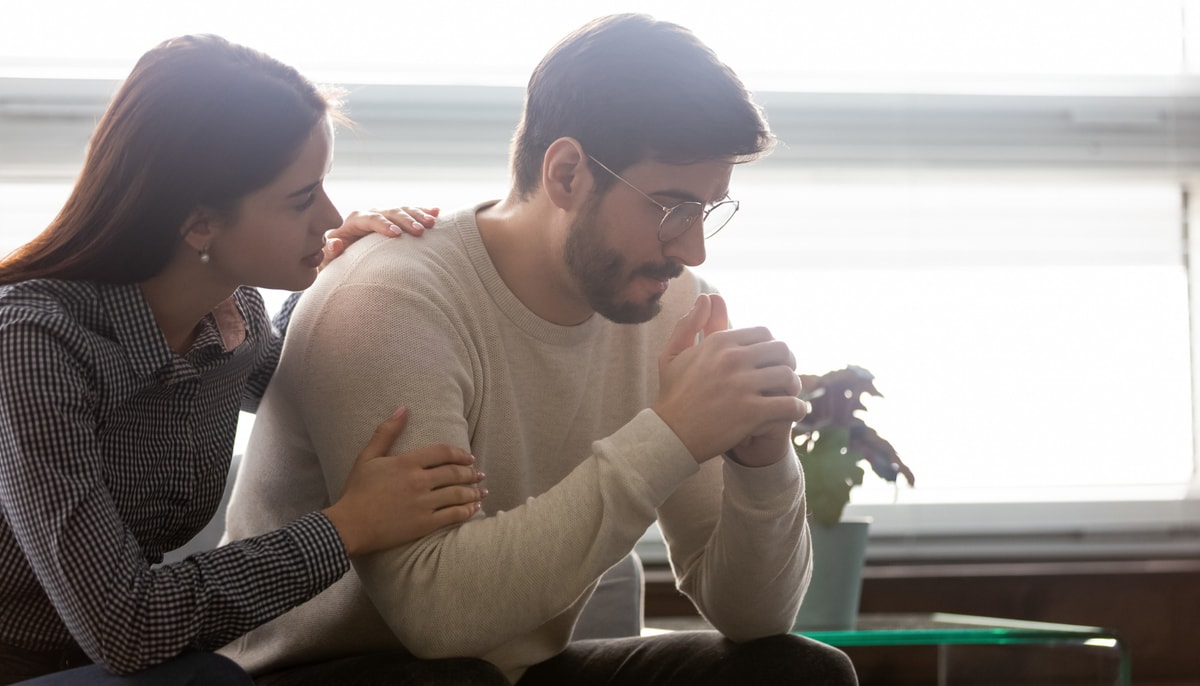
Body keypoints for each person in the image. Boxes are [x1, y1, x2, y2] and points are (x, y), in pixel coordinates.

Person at [222, 13, 859, 686]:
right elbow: (434, 618)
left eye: (709, 210)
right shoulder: (390, 300)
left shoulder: (665, 301)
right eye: (672, 207)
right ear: (567, 173)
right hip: (326, 672)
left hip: (508, 671)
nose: (692, 249)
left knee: (798, 671)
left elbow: (755, 618)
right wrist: (671, 434)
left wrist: (762, 465)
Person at [0, 35, 499, 685]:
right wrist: (347, 526)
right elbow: (129, 626)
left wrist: (359, 268)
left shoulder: (233, 315)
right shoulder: (33, 346)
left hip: (122, 666)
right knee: (214, 679)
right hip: (39, 662)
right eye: (301, 199)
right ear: (199, 223)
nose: (333, 214)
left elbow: (305, 378)